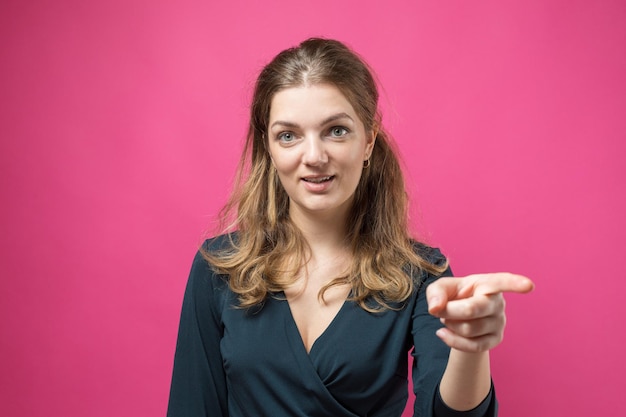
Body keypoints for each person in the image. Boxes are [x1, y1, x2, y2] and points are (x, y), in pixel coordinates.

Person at [167, 38, 534, 417]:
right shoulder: (219, 268)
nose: (314, 157)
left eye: (336, 131)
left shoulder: (422, 277)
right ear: (270, 149)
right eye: (288, 136)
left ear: (369, 140)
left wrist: (470, 348)